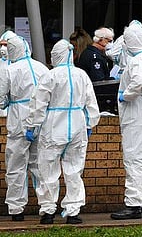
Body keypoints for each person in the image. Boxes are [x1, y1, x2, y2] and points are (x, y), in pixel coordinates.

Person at [25, 39, 100, 225]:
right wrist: (90, 124)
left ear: (55, 55)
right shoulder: (81, 75)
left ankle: (48, 210)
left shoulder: (50, 76)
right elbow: (92, 103)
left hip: (53, 127)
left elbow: (38, 104)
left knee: (48, 170)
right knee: (74, 170)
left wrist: (32, 126)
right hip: (77, 126)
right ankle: (73, 211)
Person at [110, 20, 142, 220]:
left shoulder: (138, 60)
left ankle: (133, 204)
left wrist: (126, 95)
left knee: (134, 160)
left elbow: (137, 82)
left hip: (137, 116)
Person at [0, 35, 49, 221]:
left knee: (16, 166)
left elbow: (1, 95)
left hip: (19, 121)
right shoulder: (41, 68)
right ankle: (46, 206)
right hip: (40, 120)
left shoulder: (10, 70)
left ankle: (16, 209)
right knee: (40, 165)